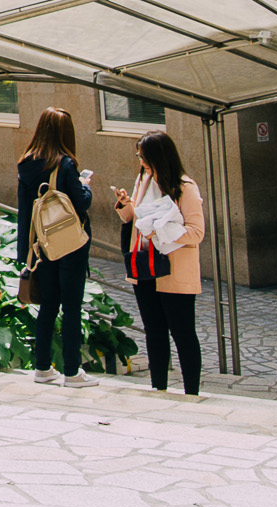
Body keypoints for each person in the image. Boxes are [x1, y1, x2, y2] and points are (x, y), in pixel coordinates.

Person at [114, 129, 205, 396]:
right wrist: (124, 205)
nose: (140, 160)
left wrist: (160, 232)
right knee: (154, 332)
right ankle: (158, 389)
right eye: (139, 155)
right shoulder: (142, 179)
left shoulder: (185, 187)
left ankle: (191, 393)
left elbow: (196, 232)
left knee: (183, 333)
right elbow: (134, 219)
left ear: (158, 156)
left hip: (174, 268)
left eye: (143, 156)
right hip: (144, 266)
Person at [17, 107, 96, 387]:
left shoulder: (26, 163)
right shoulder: (65, 165)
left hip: (41, 247)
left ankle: (41, 367)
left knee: (48, 305)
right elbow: (81, 202)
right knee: (71, 307)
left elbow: (25, 210)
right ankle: (72, 372)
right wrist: (84, 185)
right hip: (69, 246)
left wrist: (24, 253)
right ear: (66, 134)